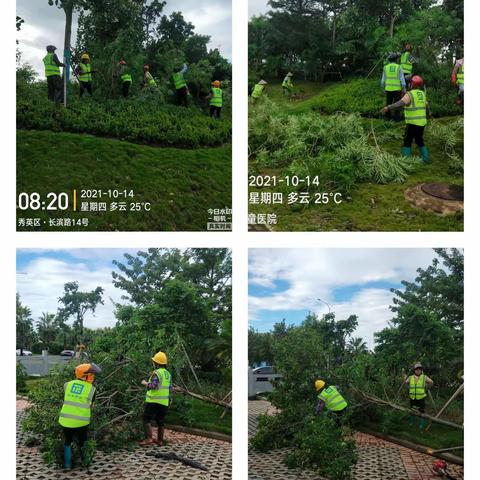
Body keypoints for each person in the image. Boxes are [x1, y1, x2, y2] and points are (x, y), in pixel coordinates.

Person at [58, 363, 101, 470]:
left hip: (65, 421)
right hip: (81, 422)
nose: (93, 377)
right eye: (91, 375)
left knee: (67, 442)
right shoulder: (92, 389)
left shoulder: (67, 385)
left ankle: (67, 465)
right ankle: (84, 462)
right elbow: (91, 405)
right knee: (83, 442)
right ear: (84, 375)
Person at [381, 75, 431, 163]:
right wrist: (429, 113)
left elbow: (400, 103)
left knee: (407, 140)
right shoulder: (422, 94)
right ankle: (426, 159)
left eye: (410, 83)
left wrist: (388, 107)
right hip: (422, 123)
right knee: (419, 140)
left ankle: (405, 160)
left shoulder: (409, 94)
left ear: (412, 84)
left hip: (412, 123)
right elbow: (427, 107)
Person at [139, 351, 172, 447]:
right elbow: (170, 388)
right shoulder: (168, 374)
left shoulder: (156, 373)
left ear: (157, 363)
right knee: (160, 420)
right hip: (164, 402)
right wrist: (170, 399)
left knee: (146, 418)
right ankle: (160, 441)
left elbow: (153, 386)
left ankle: (149, 438)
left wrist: (145, 383)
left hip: (154, 400)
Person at [404, 363, 433, 430]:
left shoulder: (424, 377)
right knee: (412, 410)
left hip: (421, 397)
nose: (418, 371)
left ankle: (421, 424)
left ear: (421, 370)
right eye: (417, 369)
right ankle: (411, 422)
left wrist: (427, 387)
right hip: (412, 397)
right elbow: (405, 382)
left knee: (421, 411)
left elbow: (431, 382)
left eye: (419, 369)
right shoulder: (410, 377)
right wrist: (408, 388)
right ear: (414, 370)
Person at [381, 52, 406, 121]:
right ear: (396, 60)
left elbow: (382, 81)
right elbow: (402, 80)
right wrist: (404, 89)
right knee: (397, 104)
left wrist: (383, 89)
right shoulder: (399, 67)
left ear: (389, 60)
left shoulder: (385, 67)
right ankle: (397, 119)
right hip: (397, 89)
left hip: (388, 89)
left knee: (388, 103)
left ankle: (387, 118)